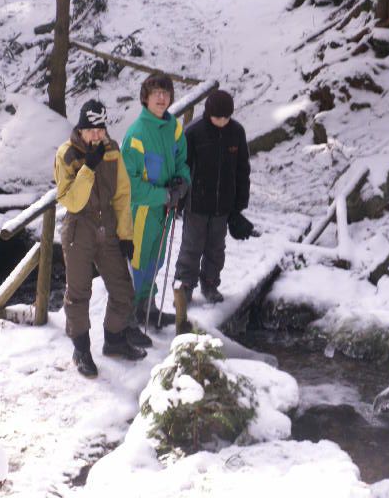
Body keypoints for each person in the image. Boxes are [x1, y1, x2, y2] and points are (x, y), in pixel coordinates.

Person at [55, 99, 150, 378]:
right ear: (81, 128)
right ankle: (81, 349)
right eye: (91, 129)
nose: (97, 135)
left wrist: (126, 235)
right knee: (79, 292)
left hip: (107, 225)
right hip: (79, 227)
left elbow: (122, 195)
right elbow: (71, 201)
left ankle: (115, 340)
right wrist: (88, 169)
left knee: (123, 288)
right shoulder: (67, 154)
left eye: (101, 128)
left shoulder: (112, 150)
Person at [172, 89, 251, 330]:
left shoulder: (236, 133)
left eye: (226, 117)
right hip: (197, 202)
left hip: (223, 204)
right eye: (218, 117)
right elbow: (182, 167)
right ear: (209, 114)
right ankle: (185, 286)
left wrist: (238, 207)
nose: (222, 122)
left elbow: (242, 171)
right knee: (192, 245)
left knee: (217, 246)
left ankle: (210, 283)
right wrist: (179, 199)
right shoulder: (194, 132)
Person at [121, 73, 190, 328]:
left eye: (166, 92)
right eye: (156, 93)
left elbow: (183, 161)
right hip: (142, 211)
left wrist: (183, 181)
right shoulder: (136, 134)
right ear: (146, 98)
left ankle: (147, 307)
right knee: (138, 263)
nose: (161, 98)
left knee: (156, 259)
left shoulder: (174, 127)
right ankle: (128, 317)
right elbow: (129, 185)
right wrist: (163, 195)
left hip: (166, 209)